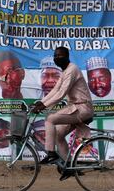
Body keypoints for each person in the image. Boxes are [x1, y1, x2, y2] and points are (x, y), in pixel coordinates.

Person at [31, 46, 94, 180]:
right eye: (55, 56)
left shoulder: (72, 70)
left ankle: (51, 154)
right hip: (75, 108)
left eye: (60, 56)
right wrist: (40, 102)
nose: (57, 58)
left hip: (82, 108)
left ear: (67, 56)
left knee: (50, 119)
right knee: (58, 134)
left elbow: (61, 93)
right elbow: (55, 90)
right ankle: (68, 166)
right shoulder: (65, 71)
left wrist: (44, 105)